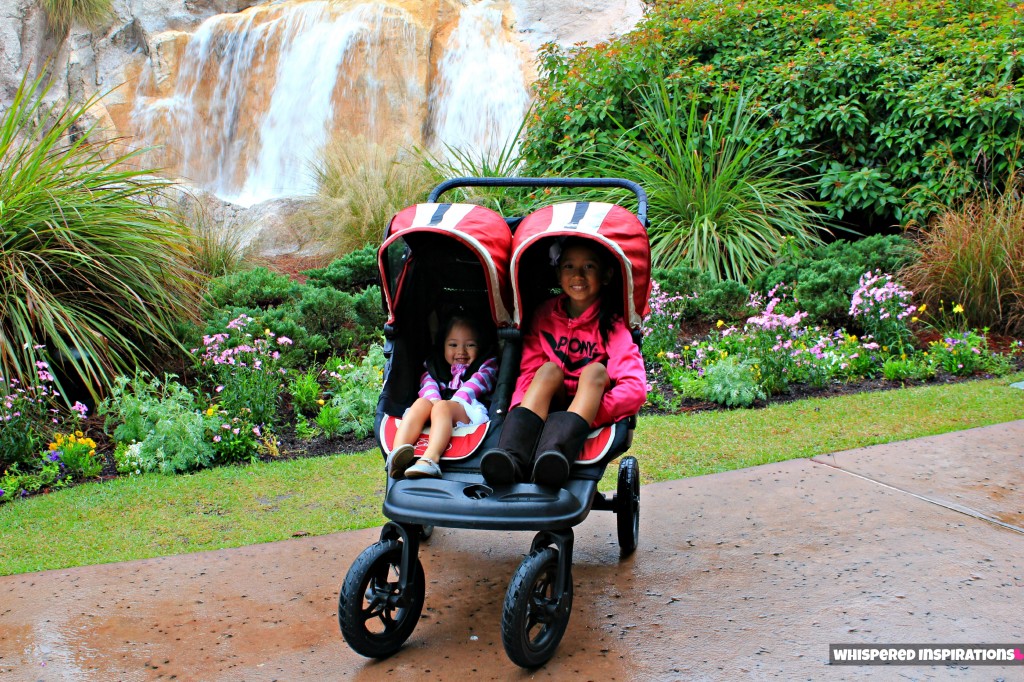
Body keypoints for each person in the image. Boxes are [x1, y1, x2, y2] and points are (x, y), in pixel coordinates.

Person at [480, 237, 647, 488]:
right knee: (547, 369)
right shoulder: (543, 316)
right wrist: (521, 410)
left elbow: (634, 389)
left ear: (606, 274)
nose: (578, 275)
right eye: (569, 266)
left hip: (588, 408)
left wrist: (593, 414)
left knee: (595, 371)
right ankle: (510, 458)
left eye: (589, 267)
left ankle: (554, 457)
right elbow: (528, 374)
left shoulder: (613, 324)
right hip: (550, 403)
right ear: (558, 274)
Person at [387, 314, 498, 479]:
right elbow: (428, 385)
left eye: (470, 345)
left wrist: (442, 406)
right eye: (453, 344)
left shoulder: (486, 365)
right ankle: (396, 455)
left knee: (442, 407)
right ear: (443, 345)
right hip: (438, 408)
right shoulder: (435, 365)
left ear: (480, 347)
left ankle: (430, 459)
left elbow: (474, 386)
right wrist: (433, 403)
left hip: (467, 409)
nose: (461, 351)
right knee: (421, 403)